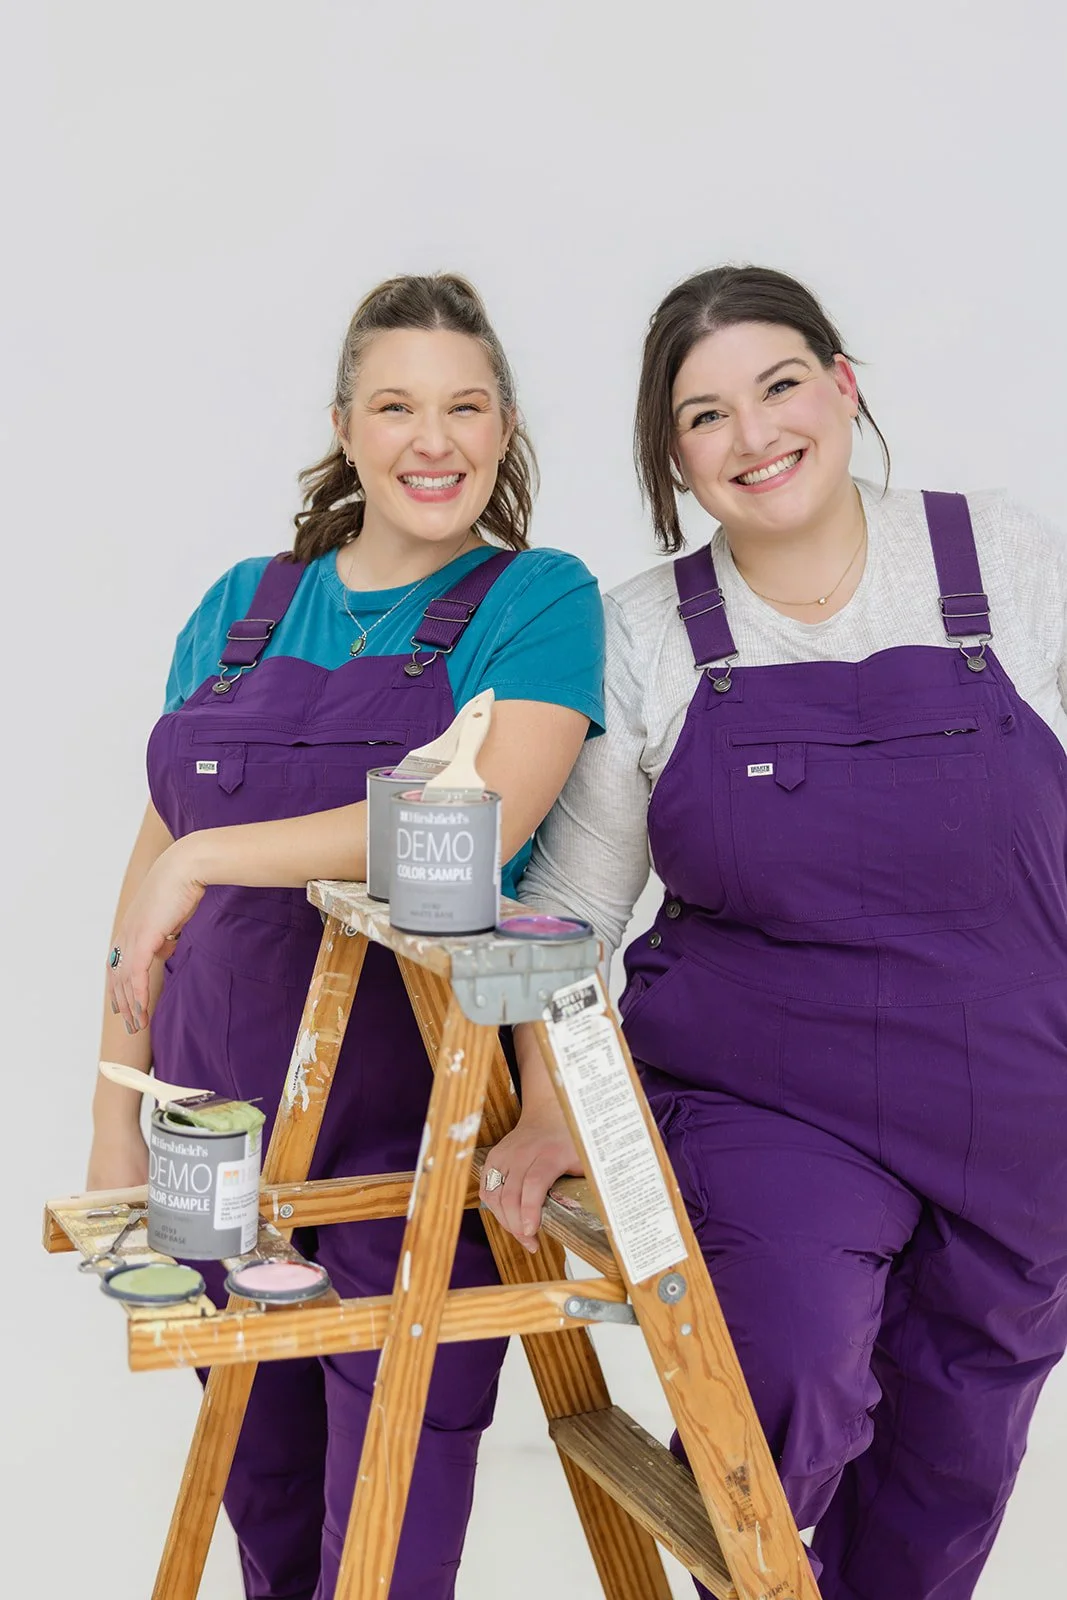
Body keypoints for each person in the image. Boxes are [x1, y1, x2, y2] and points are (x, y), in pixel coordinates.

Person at [481, 264, 1067, 1600]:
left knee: (948, 1481)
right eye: (703, 417)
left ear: (842, 389)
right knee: (780, 1391)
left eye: (779, 386)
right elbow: (566, 912)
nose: (753, 436)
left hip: (1011, 1105)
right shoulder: (647, 634)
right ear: (672, 461)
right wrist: (552, 1102)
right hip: (768, 1099)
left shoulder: (1003, 563)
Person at [89, 272, 604, 1600]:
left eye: (464, 407)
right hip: (216, 1150)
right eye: (395, 405)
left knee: (384, 1544)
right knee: (261, 1515)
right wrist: (109, 1141)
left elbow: (475, 826)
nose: (431, 440)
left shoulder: (536, 600)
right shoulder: (241, 609)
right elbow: (143, 904)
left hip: (412, 1155)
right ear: (345, 423)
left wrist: (214, 850)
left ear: (501, 428)